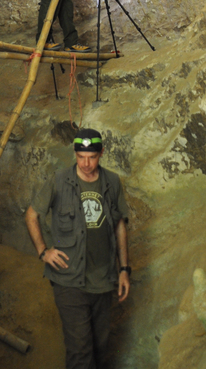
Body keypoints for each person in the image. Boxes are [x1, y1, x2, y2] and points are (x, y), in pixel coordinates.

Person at [25, 128, 130, 369]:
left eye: (91, 157)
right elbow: (31, 215)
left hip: (102, 279)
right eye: (81, 156)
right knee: (80, 352)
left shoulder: (112, 182)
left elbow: (120, 226)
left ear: (101, 154)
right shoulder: (59, 180)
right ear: (74, 153)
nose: (85, 163)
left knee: (101, 348)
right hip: (68, 279)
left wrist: (124, 268)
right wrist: (43, 251)